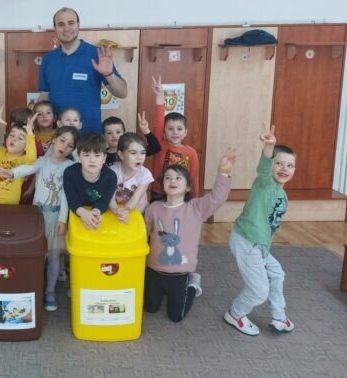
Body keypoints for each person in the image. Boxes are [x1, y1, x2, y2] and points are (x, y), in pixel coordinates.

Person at [143, 149, 235, 322]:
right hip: (154, 270)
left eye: (178, 178)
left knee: (176, 316)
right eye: (168, 178)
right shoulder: (154, 208)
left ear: (188, 187)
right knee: (150, 308)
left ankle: (193, 284)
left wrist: (223, 172)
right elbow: (145, 233)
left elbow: (217, 198)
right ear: (162, 184)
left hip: (180, 274)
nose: (172, 181)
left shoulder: (195, 208)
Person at [224, 125, 296, 336]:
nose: (284, 168)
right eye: (278, 163)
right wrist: (269, 146)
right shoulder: (265, 183)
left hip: (260, 245)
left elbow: (270, 227)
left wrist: (264, 254)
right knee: (258, 291)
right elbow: (263, 167)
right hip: (246, 241)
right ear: (271, 165)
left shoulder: (282, 196)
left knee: (277, 273)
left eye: (290, 165)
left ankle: (279, 316)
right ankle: (235, 314)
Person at [0, 126, 80, 312]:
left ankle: (50, 292)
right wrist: (11, 173)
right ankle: (33, 289)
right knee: (37, 256)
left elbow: (66, 196)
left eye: (70, 145)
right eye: (62, 140)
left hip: (56, 218)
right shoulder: (43, 161)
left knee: (54, 256)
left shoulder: (70, 167)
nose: (64, 147)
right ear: (54, 139)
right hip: (37, 218)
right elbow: (28, 168)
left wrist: (63, 219)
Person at [38, 7, 127, 133]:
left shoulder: (96, 55)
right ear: (55, 28)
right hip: (58, 137)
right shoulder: (48, 60)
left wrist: (109, 74)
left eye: (71, 23)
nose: (66, 28)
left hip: (90, 137)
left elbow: (122, 93)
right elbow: (44, 97)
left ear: (78, 25)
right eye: (61, 24)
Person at [150, 76, 200, 200]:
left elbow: (193, 177)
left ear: (185, 132)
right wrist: (160, 96)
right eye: (170, 128)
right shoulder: (159, 144)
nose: (175, 132)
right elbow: (158, 122)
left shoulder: (191, 152)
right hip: (159, 193)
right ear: (164, 131)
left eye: (179, 129)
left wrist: (194, 199)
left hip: (182, 195)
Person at [0, 103, 38, 204]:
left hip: (11, 205)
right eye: (12, 135)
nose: (14, 139)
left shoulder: (23, 160)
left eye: (20, 138)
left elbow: (32, 159)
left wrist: (30, 134)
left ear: (26, 146)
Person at [63, 132, 118, 230]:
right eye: (86, 155)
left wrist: (95, 213)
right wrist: (84, 214)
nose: (92, 160)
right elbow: (72, 200)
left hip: (98, 214)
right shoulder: (70, 173)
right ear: (79, 157)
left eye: (97, 155)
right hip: (76, 214)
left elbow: (104, 201)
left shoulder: (111, 177)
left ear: (104, 158)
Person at [110, 133, 154, 219]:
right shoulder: (112, 172)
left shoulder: (145, 174)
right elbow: (110, 198)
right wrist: (116, 210)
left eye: (142, 153)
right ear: (121, 155)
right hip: (114, 213)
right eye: (133, 153)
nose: (139, 157)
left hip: (138, 213)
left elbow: (135, 199)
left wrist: (125, 212)